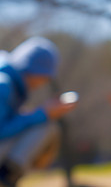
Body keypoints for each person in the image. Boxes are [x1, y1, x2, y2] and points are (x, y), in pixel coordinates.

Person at [0, 37, 76, 186]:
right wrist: (42, 114)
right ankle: (6, 177)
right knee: (46, 127)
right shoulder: (3, 85)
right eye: (44, 77)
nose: (42, 83)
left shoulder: (9, 82)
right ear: (32, 70)